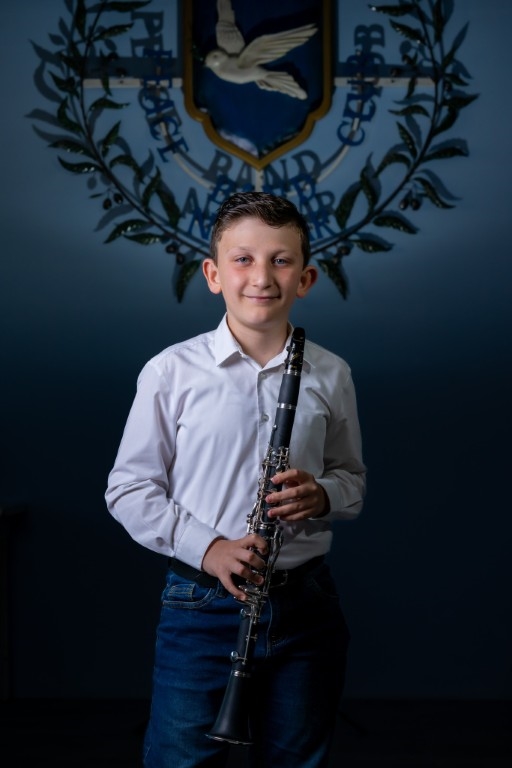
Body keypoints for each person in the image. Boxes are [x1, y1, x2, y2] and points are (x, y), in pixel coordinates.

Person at [105, 191, 366, 768]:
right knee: (181, 758)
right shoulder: (172, 370)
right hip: (201, 603)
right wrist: (210, 548)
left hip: (305, 604)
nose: (262, 277)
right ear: (213, 274)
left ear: (306, 278)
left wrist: (323, 494)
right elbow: (128, 489)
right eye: (243, 259)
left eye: (281, 260)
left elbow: (352, 479)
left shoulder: (331, 373)